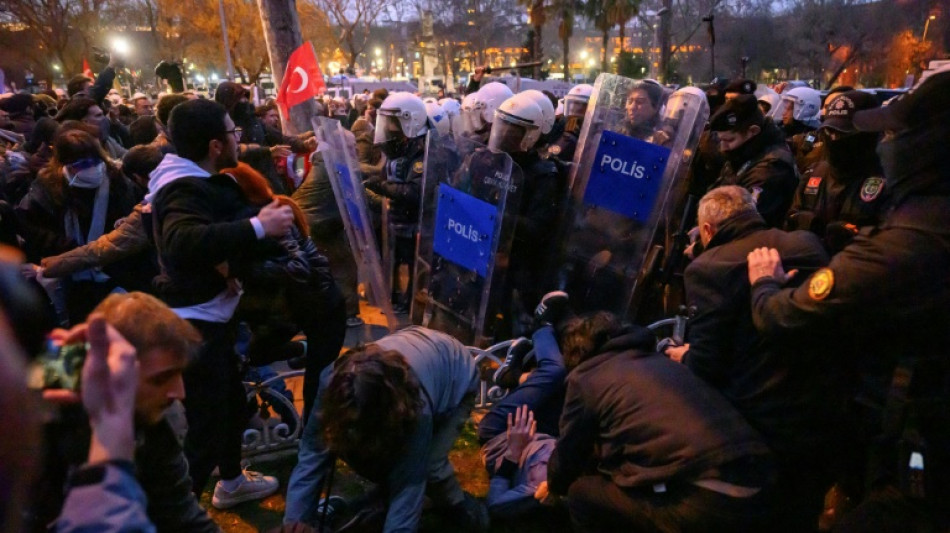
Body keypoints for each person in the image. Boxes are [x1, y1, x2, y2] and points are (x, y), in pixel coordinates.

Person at [747, 72, 950, 532]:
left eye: (897, 133)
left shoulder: (913, 241)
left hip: (916, 450)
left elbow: (784, 315)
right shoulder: (911, 216)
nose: (887, 143)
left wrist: (764, 285)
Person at [667, 185, 841, 531]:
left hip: (757, 417)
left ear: (706, 230)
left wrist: (684, 356)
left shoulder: (708, 267)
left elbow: (707, 365)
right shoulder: (806, 244)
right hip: (821, 406)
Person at [149, 98, 294, 504]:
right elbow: (181, 241)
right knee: (206, 430)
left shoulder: (191, 179)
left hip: (210, 314)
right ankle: (180, 511)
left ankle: (230, 483)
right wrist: (258, 226)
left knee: (230, 407)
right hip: (197, 327)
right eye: (233, 132)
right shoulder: (183, 186)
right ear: (216, 145)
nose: (239, 138)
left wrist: (224, 269)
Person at [543, 311, 776, 532]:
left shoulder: (585, 379)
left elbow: (567, 457)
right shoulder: (659, 363)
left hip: (709, 503)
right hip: (763, 486)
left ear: (574, 356)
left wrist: (554, 487)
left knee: (582, 494)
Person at [284, 326, 488, 532]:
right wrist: (295, 525)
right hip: (419, 349)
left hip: (456, 371)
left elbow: (409, 485)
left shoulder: (415, 408)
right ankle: (384, 498)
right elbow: (312, 455)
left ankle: (460, 508)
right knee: (367, 451)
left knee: (430, 466)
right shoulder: (331, 383)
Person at [16, 127, 140, 323]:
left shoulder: (117, 180)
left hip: (114, 268)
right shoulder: (47, 186)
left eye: (95, 161)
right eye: (82, 164)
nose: (91, 168)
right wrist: (67, 246)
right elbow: (32, 228)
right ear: (65, 164)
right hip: (68, 275)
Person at [786, 90, 887, 254]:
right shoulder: (815, 173)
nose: (834, 139)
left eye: (842, 134)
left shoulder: (887, 181)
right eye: (830, 132)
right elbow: (790, 221)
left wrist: (856, 237)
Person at [364, 92, 429, 312]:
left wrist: (381, 187)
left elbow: (414, 191)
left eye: (394, 123)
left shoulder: (421, 152)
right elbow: (386, 175)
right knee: (393, 259)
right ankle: (390, 295)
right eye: (388, 122)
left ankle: (409, 301)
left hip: (413, 222)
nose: (390, 128)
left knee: (412, 264)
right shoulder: (399, 150)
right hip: (396, 218)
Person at [709, 94, 798, 228]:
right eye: (721, 140)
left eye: (729, 140)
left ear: (753, 131)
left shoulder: (770, 167)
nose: (723, 147)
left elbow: (746, 221)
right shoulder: (742, 153)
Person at [544, 84, 592, 165]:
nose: (576, 109)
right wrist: (566, 137)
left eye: (582, 106)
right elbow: (547, 155)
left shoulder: (595, 131)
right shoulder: (557, 124)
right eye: (573, 104)